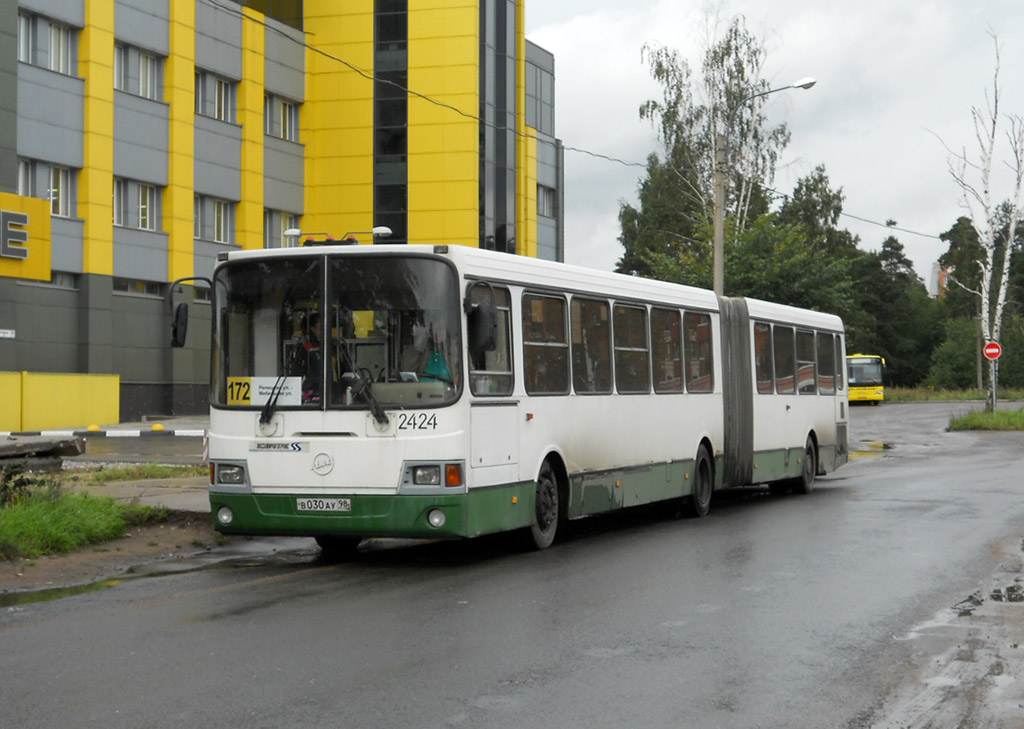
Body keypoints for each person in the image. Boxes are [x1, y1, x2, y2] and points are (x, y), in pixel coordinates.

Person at [302, 312, 323, 402]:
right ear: (313, 329)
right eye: (321, 328)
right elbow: (297, 375)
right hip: (313, 396)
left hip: (333, 394)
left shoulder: (332, 348)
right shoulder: (305, 349)